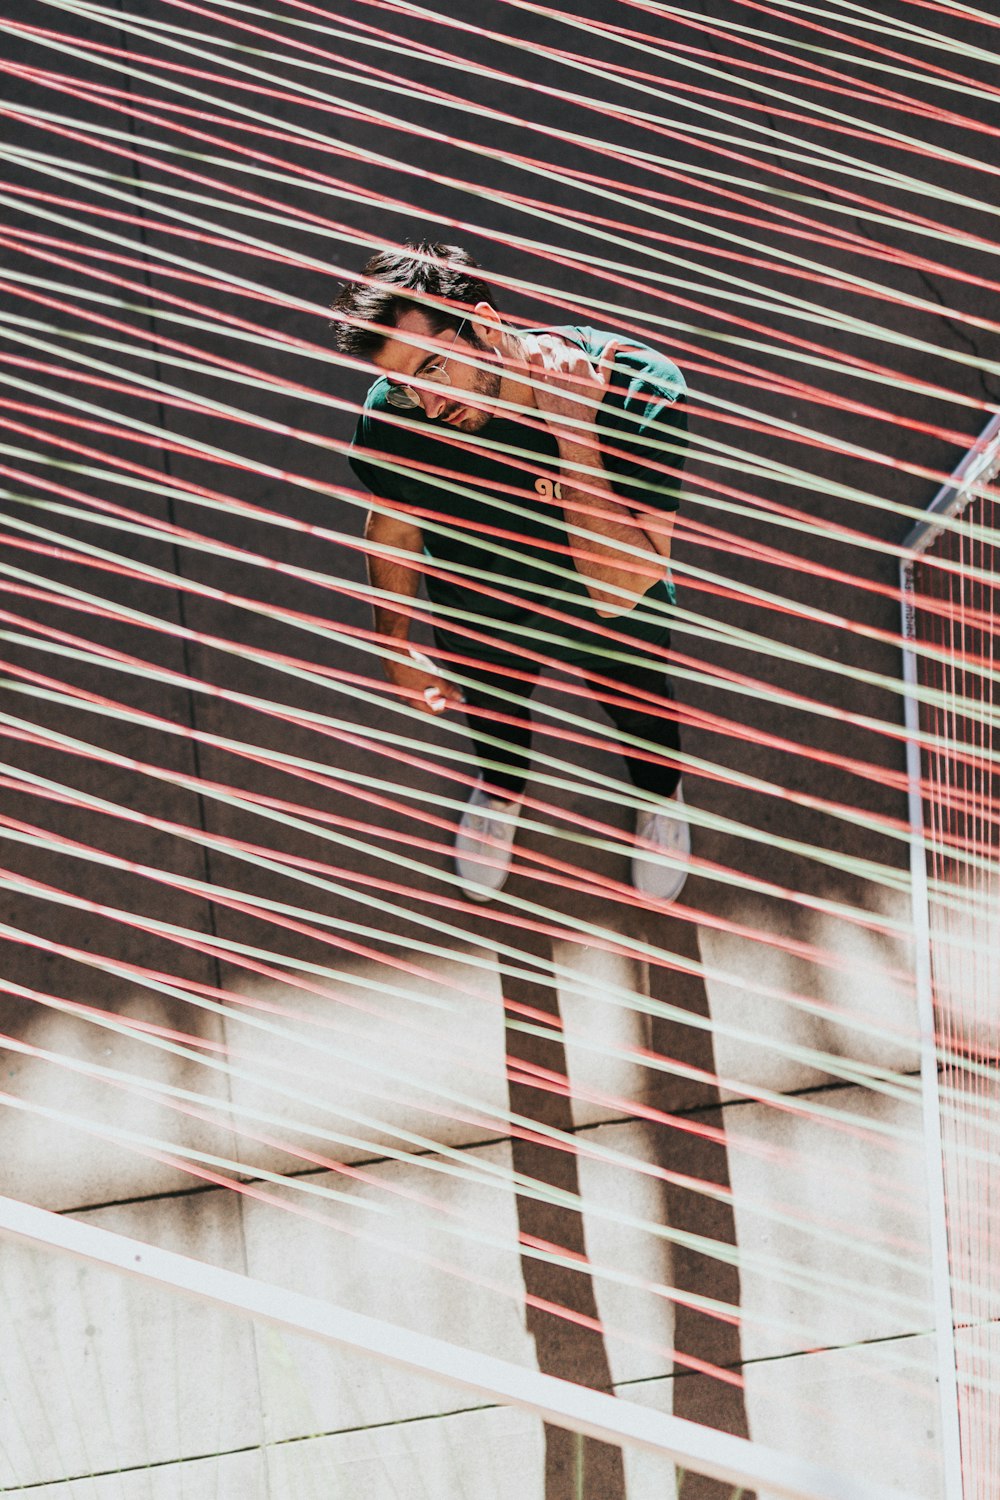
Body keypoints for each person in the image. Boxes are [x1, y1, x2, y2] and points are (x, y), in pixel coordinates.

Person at [333, 241, 690, 904]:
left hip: (608, 609)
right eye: (406, 383)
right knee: (493, 720)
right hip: (479, 610)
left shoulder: (638, 391)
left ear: (488, 325)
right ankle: (500, 793)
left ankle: (658, 799)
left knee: (640, 711)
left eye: (434, 367)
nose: (427, 402)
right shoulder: (395, 411)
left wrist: (576, 436)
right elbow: (395, 517)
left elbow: (624, 590)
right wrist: (394, 641)